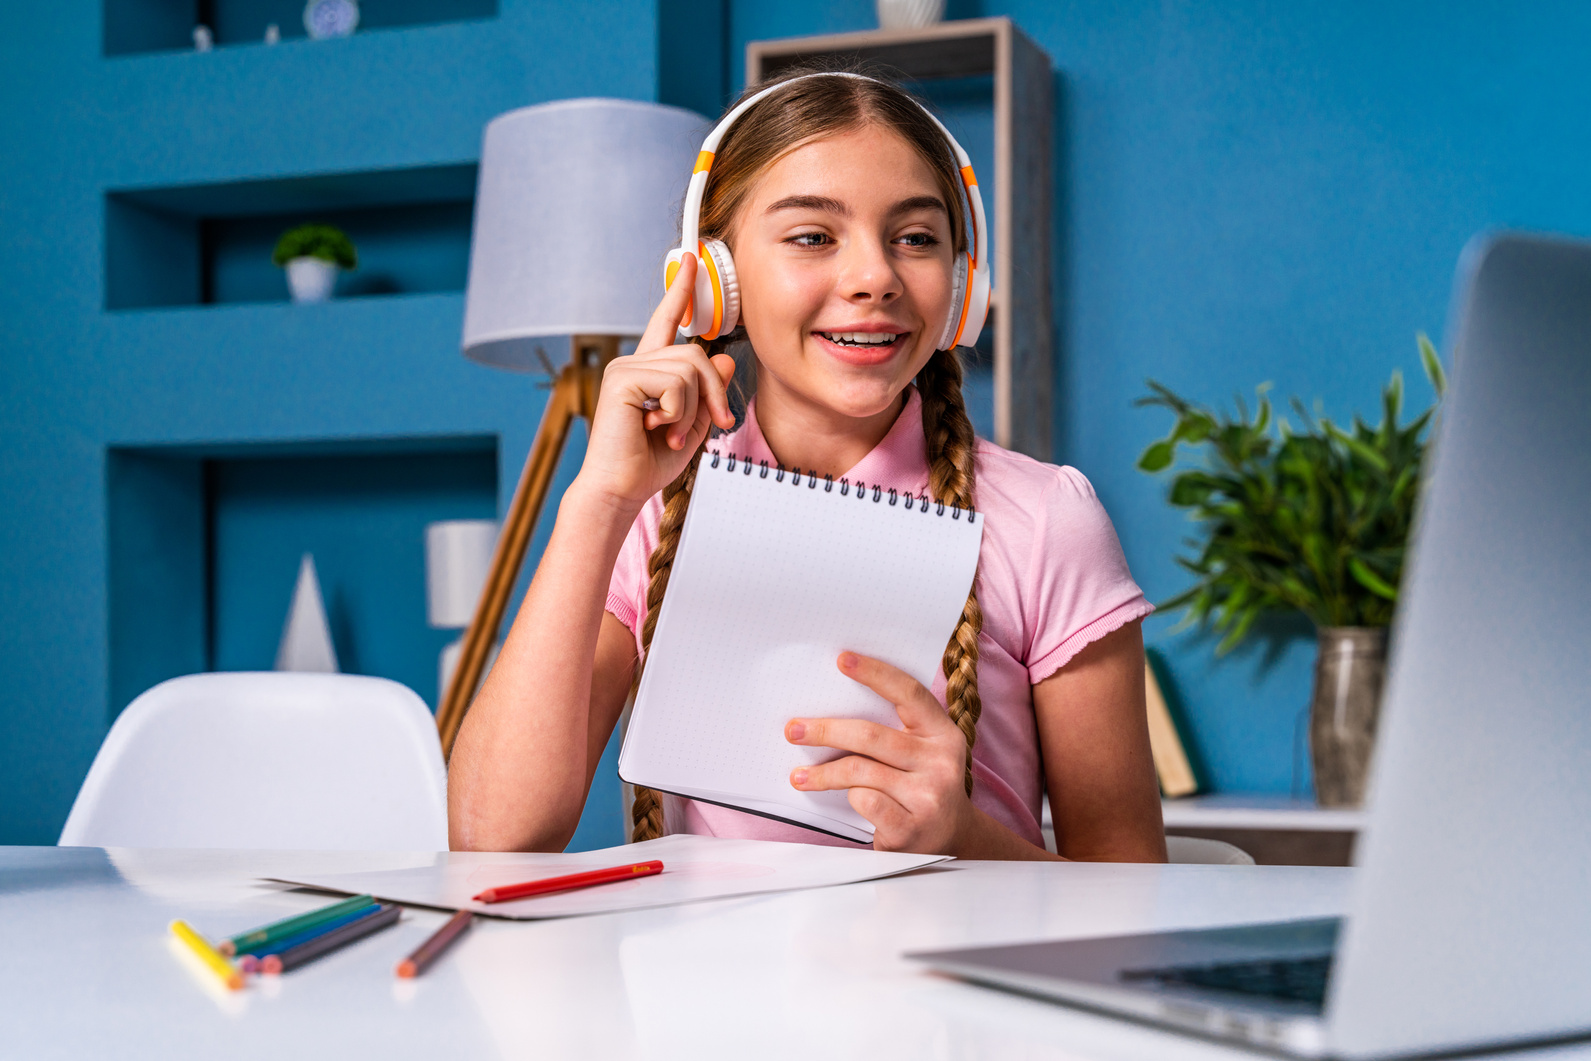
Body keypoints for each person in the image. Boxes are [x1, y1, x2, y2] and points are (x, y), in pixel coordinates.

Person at [449, 72, 1167, 862]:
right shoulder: (650, 512)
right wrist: (599, 498)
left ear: (962, 286)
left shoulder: (1046, 521)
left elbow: (1129, 888)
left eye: (916, 237)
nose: (876, 277)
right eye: (813, 236)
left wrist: (964, 838)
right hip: (705, 983)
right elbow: (491, 839)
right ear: (715, 281)